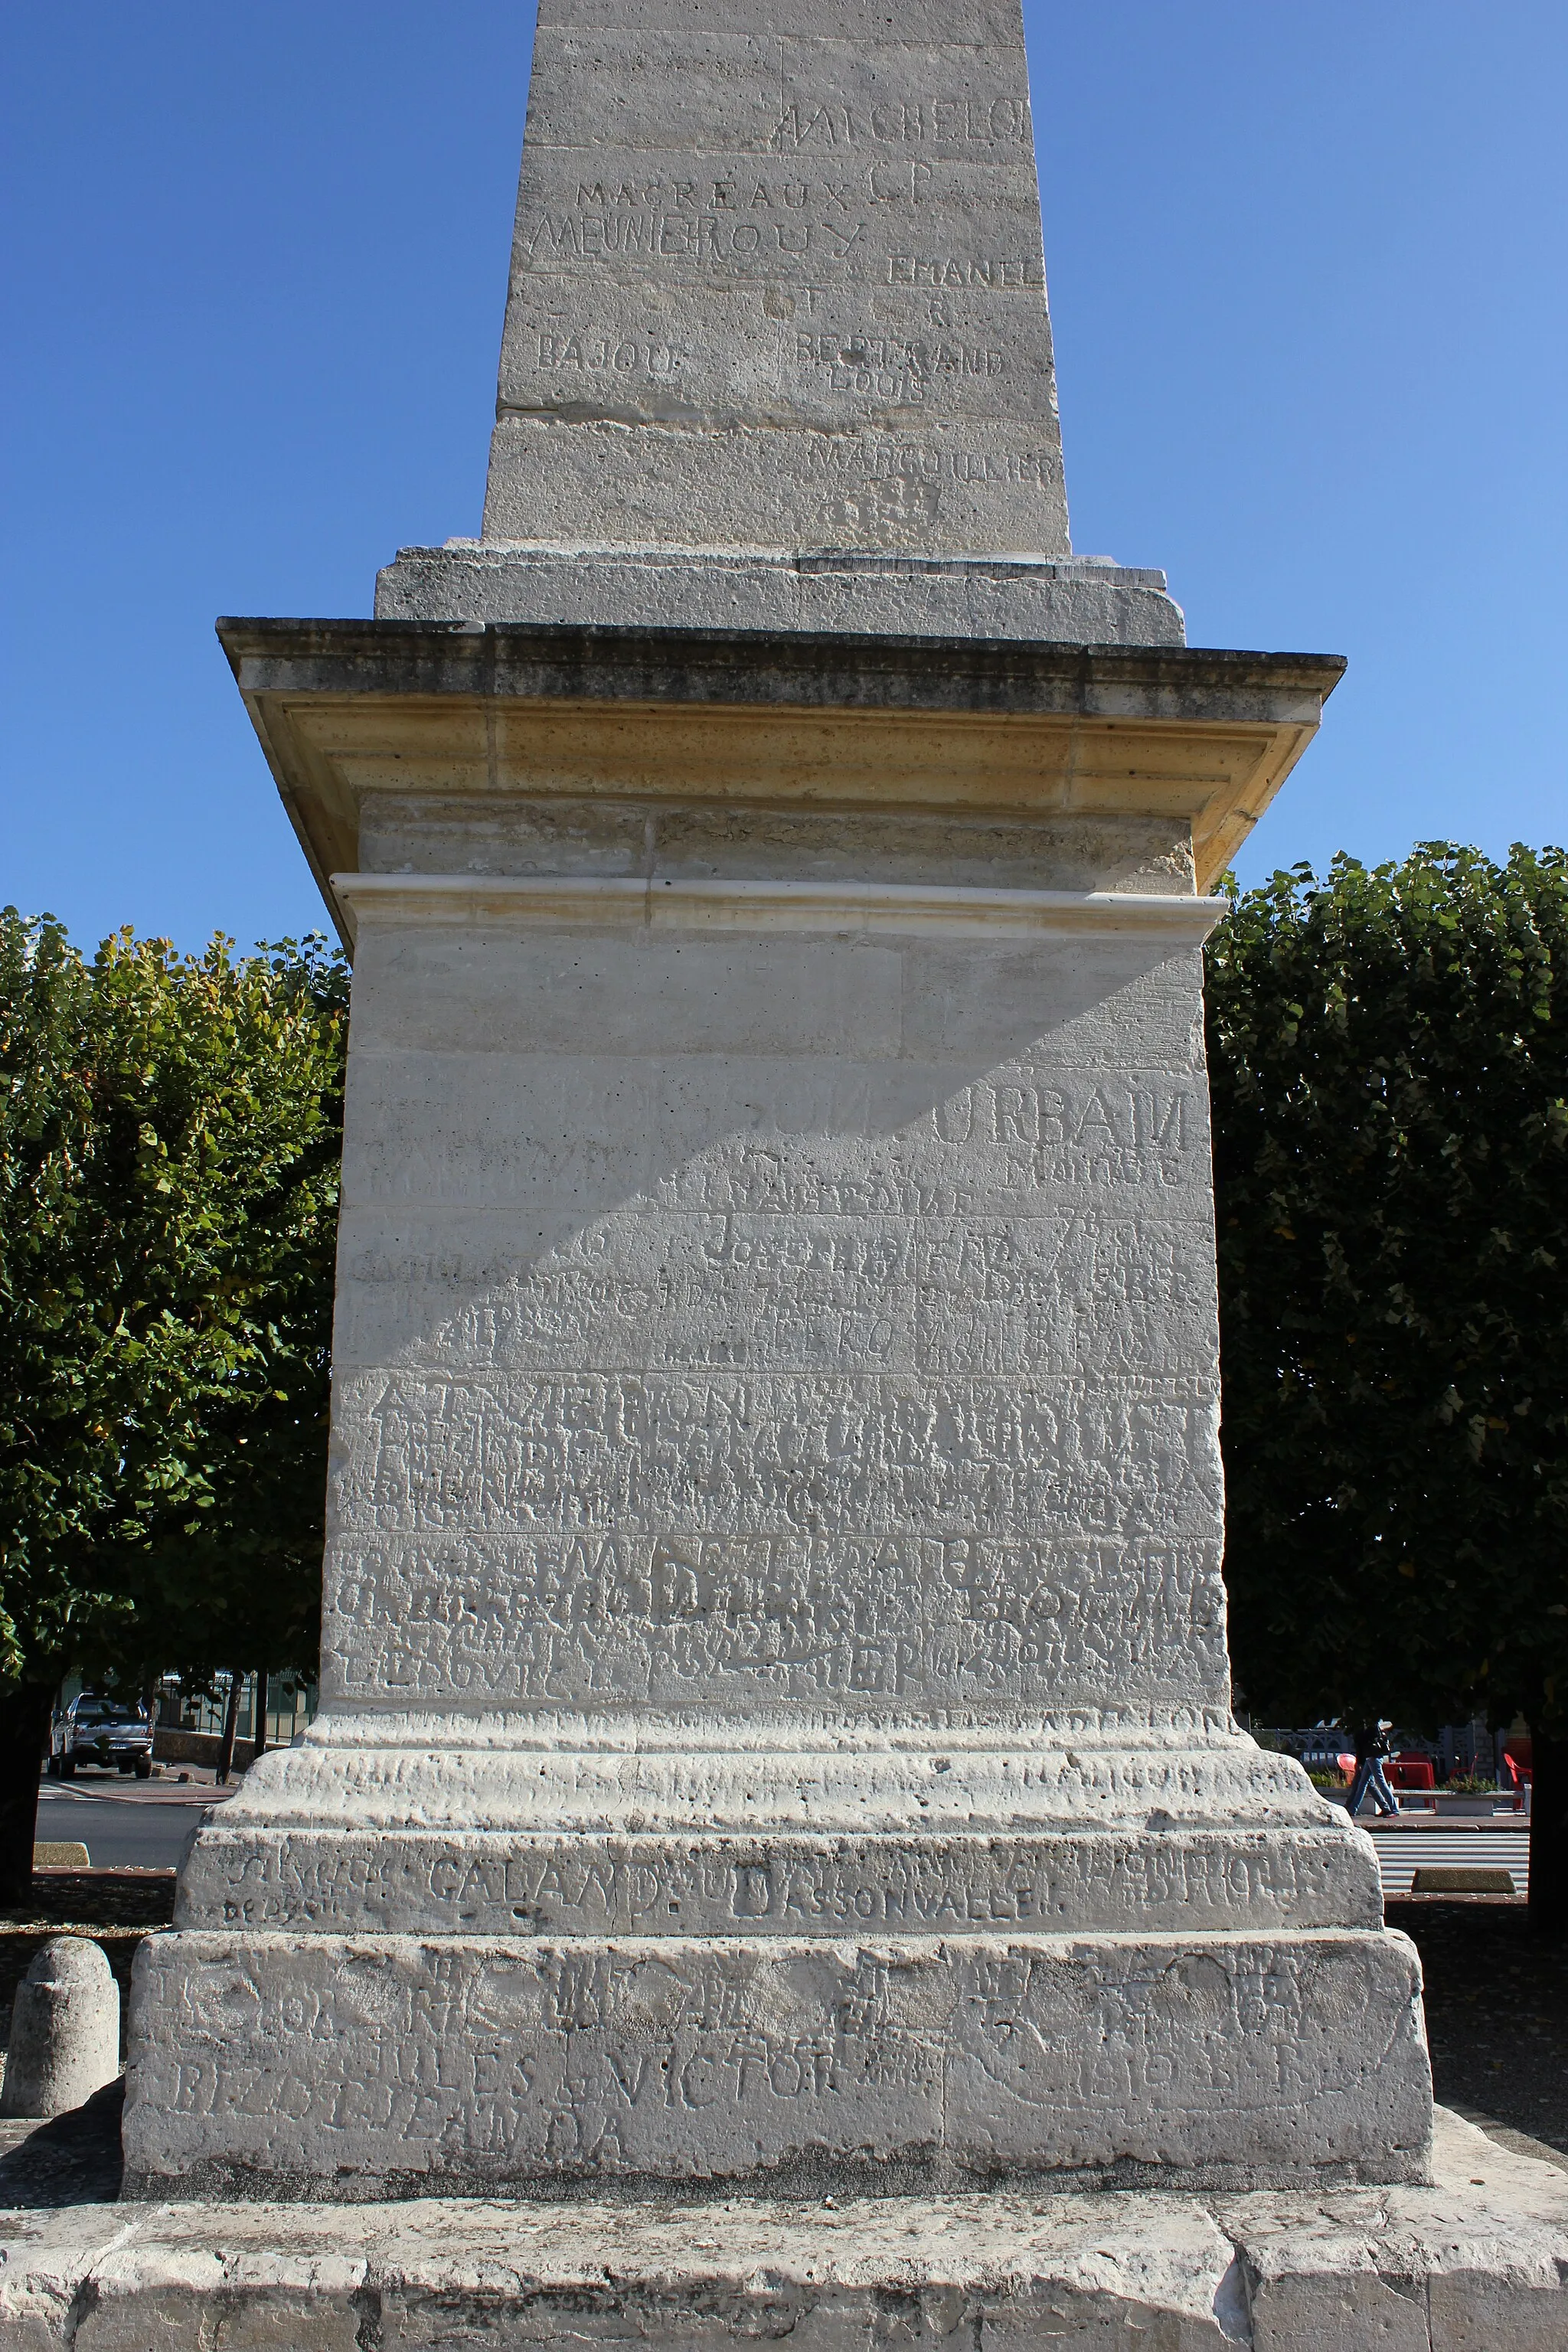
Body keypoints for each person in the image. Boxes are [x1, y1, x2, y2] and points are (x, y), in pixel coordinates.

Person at [1347, 1723, 1400, 1818]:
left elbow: (1361, 1745)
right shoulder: (1369, 1726)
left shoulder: (1365, 1727)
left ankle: (1394, 1809)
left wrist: (1359, 1761)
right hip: (1370, 1757)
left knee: (1381, 1783)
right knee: (1362, 1784)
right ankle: (1353, 1809)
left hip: (1373, 1757)